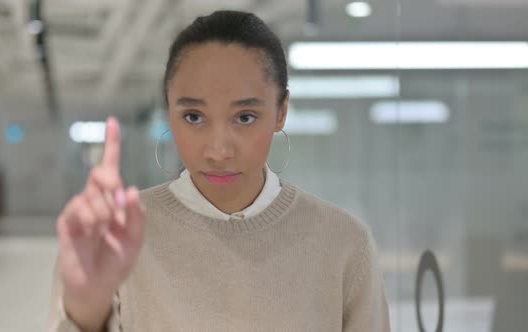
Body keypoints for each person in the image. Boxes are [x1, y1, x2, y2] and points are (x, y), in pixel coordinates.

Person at [48, 10, 390, 332]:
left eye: (245, 117)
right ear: (169, 110)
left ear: (281, 111)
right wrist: (87, 314)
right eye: (194, 117)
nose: (218, 151)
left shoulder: (344, 244)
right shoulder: (117, 239)